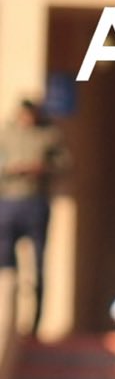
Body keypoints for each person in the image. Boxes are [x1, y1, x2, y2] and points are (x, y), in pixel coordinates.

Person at [0, 96, 69, 334]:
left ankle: (34, 324)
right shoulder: (6, 134)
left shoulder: (48, 134)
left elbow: (64, 164)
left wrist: (41, 168)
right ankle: (7, 319)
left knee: (37, 265)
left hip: (35, 203)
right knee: (6, 265)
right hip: (8, 202)